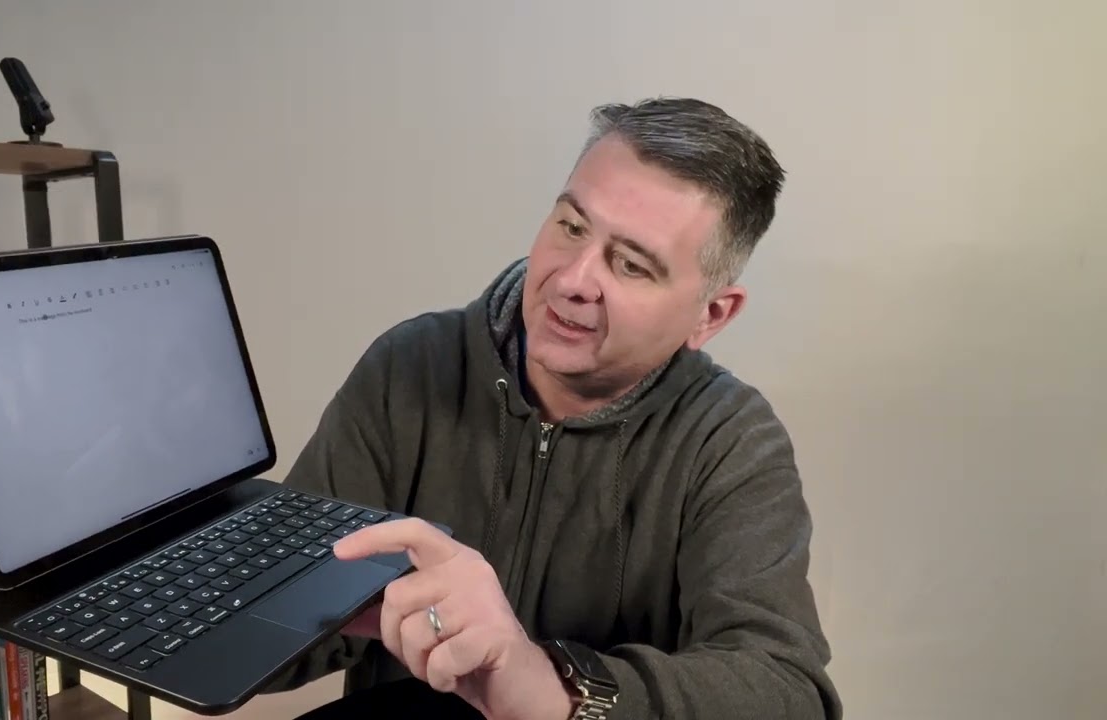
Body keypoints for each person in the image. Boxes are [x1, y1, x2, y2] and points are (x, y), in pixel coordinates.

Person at [269, 96, 842, 719]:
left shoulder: (729, 441)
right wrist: (201, 576)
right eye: (571, 227)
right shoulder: (411, 365)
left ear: (710, 315)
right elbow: (287, 631)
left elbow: (789, 693)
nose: (572, 279)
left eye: (630, 264)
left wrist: (550, 686)